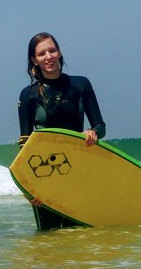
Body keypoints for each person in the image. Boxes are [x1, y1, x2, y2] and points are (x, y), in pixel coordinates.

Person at [17, 32, 106, 230]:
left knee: (79, 233)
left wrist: (93, 132)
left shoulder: (81, 85)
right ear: (34, 60)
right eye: (41, 54)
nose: (48, 56)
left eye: (52, 50)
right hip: (44, 173)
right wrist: (28, 187)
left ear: (59, 52)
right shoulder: (29, 95)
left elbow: (101, 125)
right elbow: (25, 144)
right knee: (48, 237)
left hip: (78, 169)